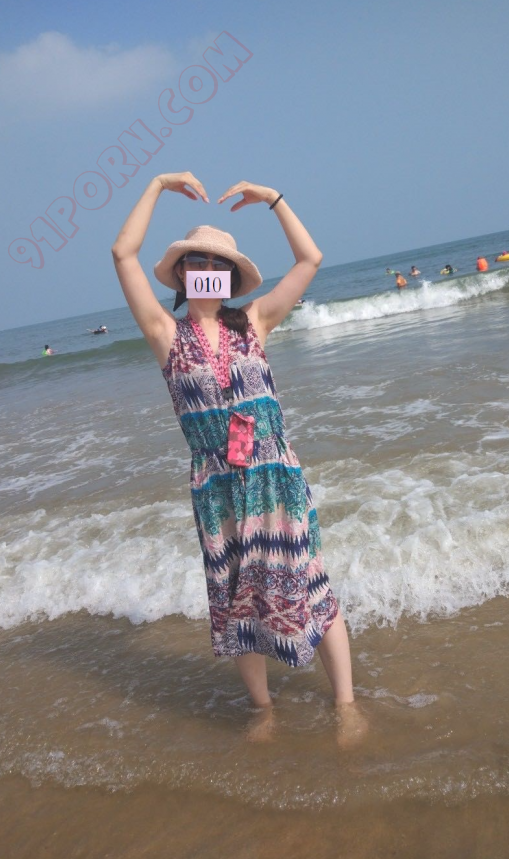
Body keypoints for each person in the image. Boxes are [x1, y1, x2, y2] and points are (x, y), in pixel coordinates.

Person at [112, 171, 367, 747]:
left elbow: (310, 259)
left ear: (228, 276)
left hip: (275, 475)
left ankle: (346, 705)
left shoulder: (255, 322)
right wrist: (156, 184)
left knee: (312, 582)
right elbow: (122, 253)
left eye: (217, 263)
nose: (207, 269)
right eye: (196, 261)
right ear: (182, 274)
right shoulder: (164, 333)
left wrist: (274, 199)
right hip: (217, 485)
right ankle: (263, 711)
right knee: (236, 602)